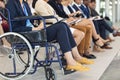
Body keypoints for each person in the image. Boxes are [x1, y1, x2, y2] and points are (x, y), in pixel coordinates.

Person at [6, 0, 94, 71]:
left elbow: (31, 21)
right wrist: (33, 29)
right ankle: (70, 61)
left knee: (63, 25)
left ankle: (76, 56)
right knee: (60, 27)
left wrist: (38, 25)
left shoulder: (24, 4)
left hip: (35, 32)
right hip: (27, 34)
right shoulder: (11, 3)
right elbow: (14, 27)